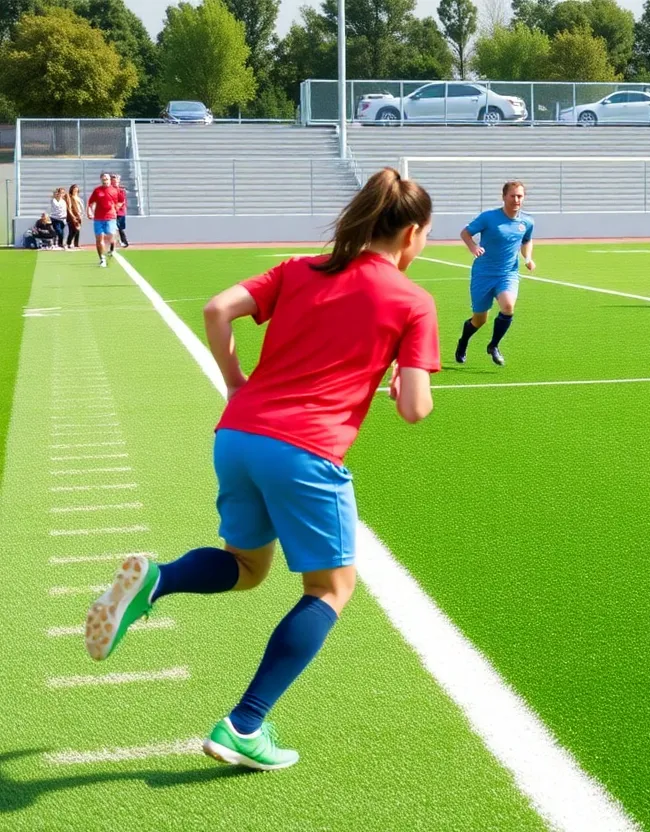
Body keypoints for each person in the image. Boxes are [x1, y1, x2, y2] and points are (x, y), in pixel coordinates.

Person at [83, 169, 441, 771]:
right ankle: (245, 724)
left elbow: (217, 309)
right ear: (410, 233)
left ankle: (158, 581)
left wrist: (233, 380)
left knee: (248, 568)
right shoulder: (413, 300)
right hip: (305, 449)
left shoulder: (300, 268)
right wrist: (403, 387)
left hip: (238, 435)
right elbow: (414, 409)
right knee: (331, 588)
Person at [455, 180, 534, 366]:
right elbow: (465, 233)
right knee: (479, 319)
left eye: (520, 196)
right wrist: (473, 247)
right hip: (483, 274)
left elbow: (526, 241)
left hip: (508, 274)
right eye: (513, 195)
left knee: (508, 307)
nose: (517, 199)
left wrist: (528, 258)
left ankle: (494, 345)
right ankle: (463, 340)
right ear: (504, 197)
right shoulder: (488, 217)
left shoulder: (527, 221)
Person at [86, 172, 120, 267]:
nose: (105, 180)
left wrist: (115, 209)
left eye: (107, 179)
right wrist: (89, 211)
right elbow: (90, 202)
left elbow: (120, 202)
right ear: (101, 180)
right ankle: (102, 259)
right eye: (103, 179)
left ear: (110, 180)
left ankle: (112, 247)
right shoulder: (97, 191)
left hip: (110, 217)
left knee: (110, 236)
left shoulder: (115, 190)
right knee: (99, 238)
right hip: (98, 218)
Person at [111, 173, 130, 251]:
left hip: (120, 212)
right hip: (112, 211)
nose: (115, 182)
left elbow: (122, 201)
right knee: (114, 227)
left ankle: (123, 241)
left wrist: (116, 209)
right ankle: (120, 241)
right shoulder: (109, 190)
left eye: (116, 181)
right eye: (113, 181)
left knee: (119, 227)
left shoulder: (121, 190)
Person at [66, 184, 84, 250]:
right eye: (74, 188)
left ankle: (76, 244)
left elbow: (81, 207)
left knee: (78, 230)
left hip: (79, 215)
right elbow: (69, 207)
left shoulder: (79, 198)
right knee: (73, 230)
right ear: (71, 190)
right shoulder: (70, 197)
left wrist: (81, 214)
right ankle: (68, 243)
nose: (75, 190)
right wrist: (72, 216)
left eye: (76, 188)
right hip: (72, 216)